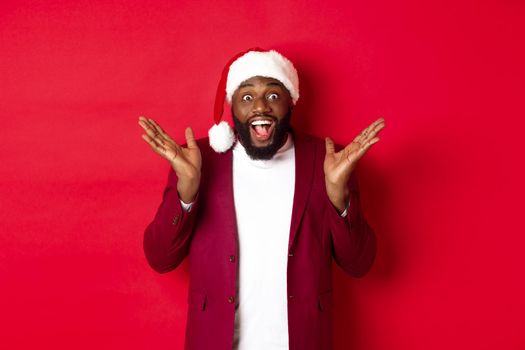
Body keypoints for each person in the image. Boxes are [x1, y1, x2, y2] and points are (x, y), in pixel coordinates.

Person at [138, 49, 385, 350]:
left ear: (290, 101)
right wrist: (186, 191)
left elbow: (359, 264)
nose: (260, 107)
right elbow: (160, 258)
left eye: (272, 95)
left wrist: (339, 198)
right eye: (247, 97)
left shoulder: (328, 160)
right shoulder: (199, 160)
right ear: (232, 106)